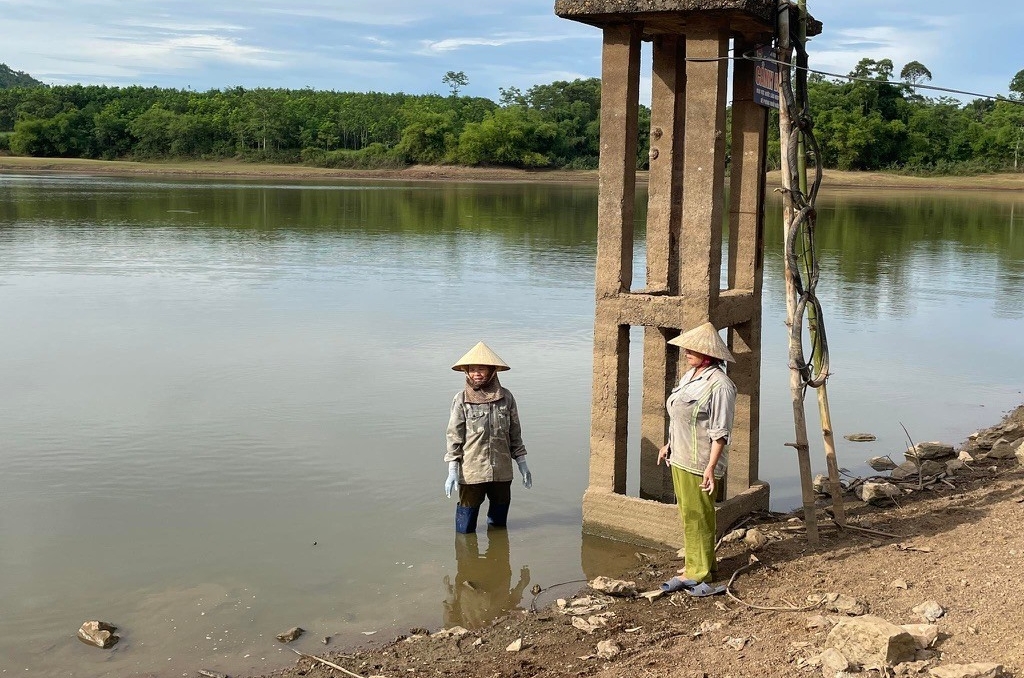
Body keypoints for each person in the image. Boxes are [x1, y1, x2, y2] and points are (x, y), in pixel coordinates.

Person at [657, 322, 737, 597]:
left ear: (709, 355)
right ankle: (702, 566)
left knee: (698, 515)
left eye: (693, 350)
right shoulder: (690, 375)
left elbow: (720, 432)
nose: (687, 353)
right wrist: (668, 444)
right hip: (679, 456)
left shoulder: (721, 386)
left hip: (700, 461)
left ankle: (697, 572)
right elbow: (680, 415)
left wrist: (711, 468)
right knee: (689, 514)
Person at [444, 341, 532, 534]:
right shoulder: (461, 399)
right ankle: (466, 559)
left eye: (481, 369)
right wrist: (452, 469)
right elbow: (454, 437)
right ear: (467, 373)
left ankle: (498, 558)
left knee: (499, 524)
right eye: (472, 369)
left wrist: (522, 463)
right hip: (472, 471)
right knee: (465, 528)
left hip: (502, 470)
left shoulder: (506, 398)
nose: (476, 373)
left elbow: (515, 434)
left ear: (492, 371)